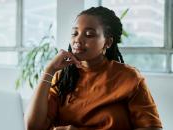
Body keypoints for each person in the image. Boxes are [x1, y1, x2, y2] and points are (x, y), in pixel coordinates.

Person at [25, 6, 162, 130]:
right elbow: (33, 127)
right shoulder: (62, 77)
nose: (78, 40)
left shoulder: (129, 78)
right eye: (74, 33)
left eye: (89, 34)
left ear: (107, 42)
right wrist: (49, 70)